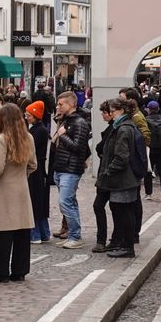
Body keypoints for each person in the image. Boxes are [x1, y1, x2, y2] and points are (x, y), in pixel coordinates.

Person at [0, 104, 37, 283]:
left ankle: (2, 272)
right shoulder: (28, 137)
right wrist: (21, 175)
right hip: (21, 188)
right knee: (22, 231)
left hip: (4, 189)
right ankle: (20, 271)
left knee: (3, 232)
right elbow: (33, 165)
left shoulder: (2, 139)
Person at [99, 99, 142, 258]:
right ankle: (124, 245)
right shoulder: (125, 126)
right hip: (124, 178)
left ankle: (127, 246)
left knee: (124, 212)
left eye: (112, 110)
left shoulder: (123, 129)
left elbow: (121, 157)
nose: (110, 113)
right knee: (123, 211)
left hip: (123, 179)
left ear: (120, 111)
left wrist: (108, 171)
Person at [49, 91, 91, 249]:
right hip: (61, 166)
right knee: (69, 202)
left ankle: (76, 236)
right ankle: (73, 234)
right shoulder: (66, 120)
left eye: (61, 104)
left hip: (71, 168)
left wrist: (62, 136)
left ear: (71, 104)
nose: (58, 107)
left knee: (65, 202)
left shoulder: (79, 122)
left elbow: (79, 147)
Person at [25, 101, 52, 245]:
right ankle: (44, 232)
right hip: (38, 168)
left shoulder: (38, 131)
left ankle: (36, 234)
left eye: (29, 115)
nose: (27, 117)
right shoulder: (37, 129)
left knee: (35, 201)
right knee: (38, 201)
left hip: (37, 170)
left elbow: (30, 148)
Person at [91, 100, 117, 251]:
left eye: (104, 113)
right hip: (106, 174)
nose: (102, 115)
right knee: (100, 206)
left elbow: (102, 148)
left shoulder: (114, 129)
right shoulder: (111, 128)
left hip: (109, 175)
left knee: (103, 206)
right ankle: (105, 239)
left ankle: (107, 239)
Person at [147, 100, 161, 202]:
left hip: (150, 148)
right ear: (158, 109)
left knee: (148, 170)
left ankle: (149, 193)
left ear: (149, 109)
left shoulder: (146, 120)